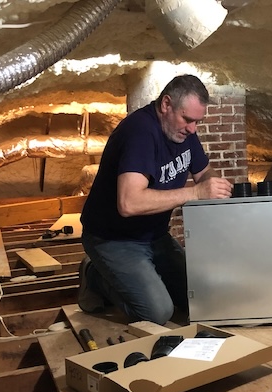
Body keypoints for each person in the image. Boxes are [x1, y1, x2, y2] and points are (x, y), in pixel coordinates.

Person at [78, 74, 233, 325]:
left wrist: (216, 186)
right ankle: (94, 275)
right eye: (188, 119)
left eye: (197, 122)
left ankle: (138, 277)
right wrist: (195, 193)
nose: (192, 129)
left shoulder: (183, 132)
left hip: (155, 237)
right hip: (114, 240)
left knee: (200, 297)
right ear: (165, 105)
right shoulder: (139, 132)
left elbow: (203, 172)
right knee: (158, 312)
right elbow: (129, 203)